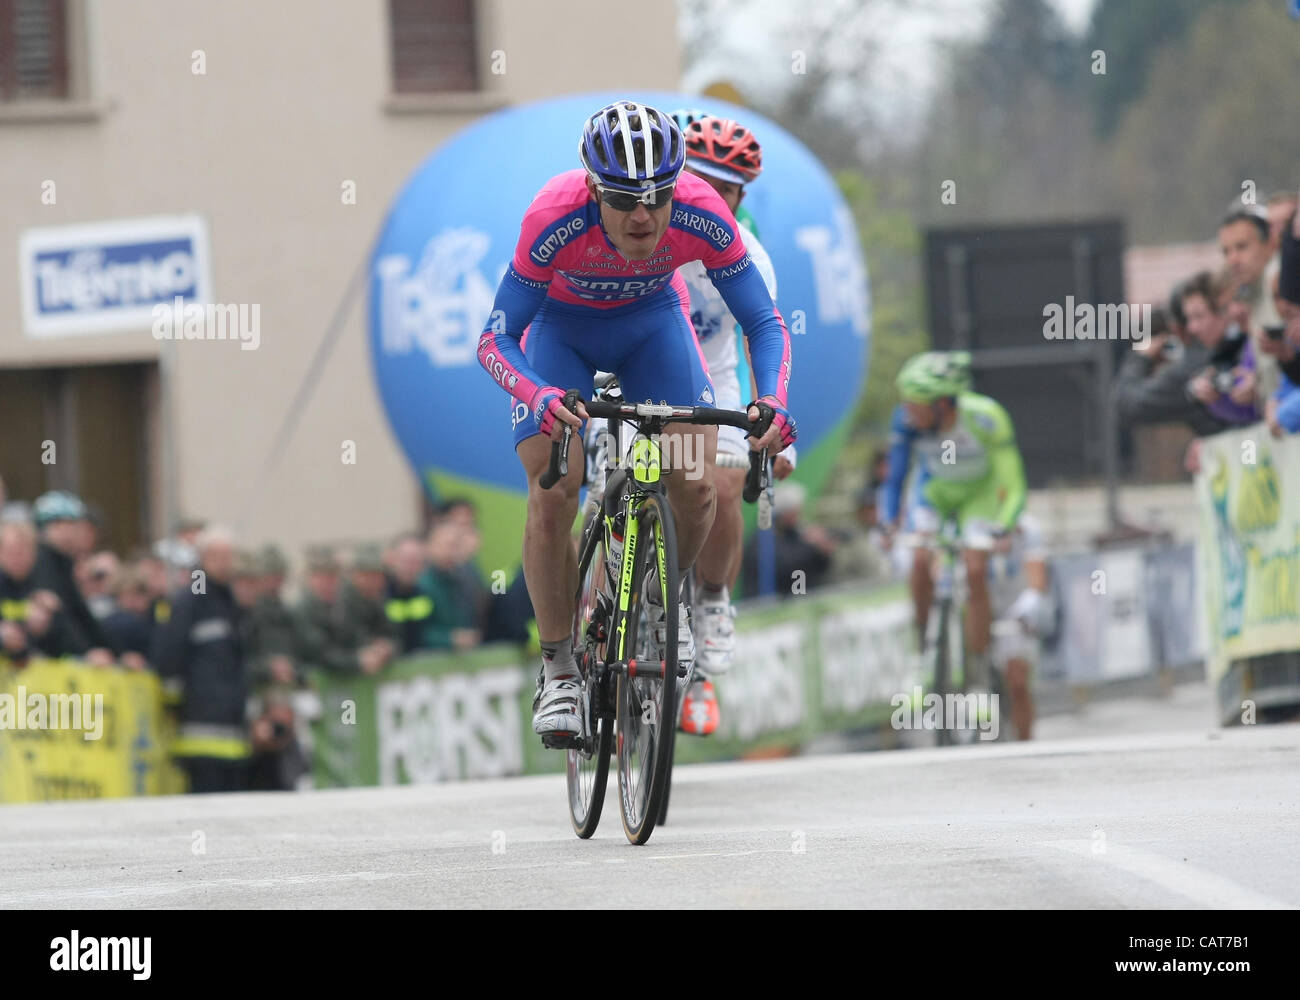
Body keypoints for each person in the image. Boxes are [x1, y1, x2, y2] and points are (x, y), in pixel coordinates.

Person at [475, 99, 795, 743]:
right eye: (624, 198)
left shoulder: (703, 210)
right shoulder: (553, 216)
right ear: (594, 187)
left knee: (699, 484)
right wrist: (538, 395)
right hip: (561, 336)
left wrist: (775, 400)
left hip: (652, 327)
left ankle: (661, 597)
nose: (643, 215)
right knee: (552, 489)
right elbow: (494, 338)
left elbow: (762, 321)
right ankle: (560, 668)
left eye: (658, 195)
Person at [667, 108, 791, 734]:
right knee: (599, 490)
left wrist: (770, 426)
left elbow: (760, 339)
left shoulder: (749, 254)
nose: (710, 200)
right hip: (635, 367)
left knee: (716, 484)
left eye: (727, 191)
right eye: (700, 182)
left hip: (710, 376)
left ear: (742, 198)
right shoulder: (646, 226)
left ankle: (711, 600)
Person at [893, 352, 1028, 690]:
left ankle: (979, 671)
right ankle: (922, 652)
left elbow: (1013, 485)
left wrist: (1004, 524)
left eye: (917, 405)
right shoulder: (906, 419)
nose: (909, 412)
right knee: (920, 559)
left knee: (975, 568)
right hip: (934, 494)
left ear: (941, 405)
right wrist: (888, 521)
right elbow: (894, 479)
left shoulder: (986, 417)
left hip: (977, 498)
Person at [150, 526, 251, 793]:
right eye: (216, 556)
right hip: (198, 729)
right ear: (202, 558)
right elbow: (168, 656)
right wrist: (177, 704)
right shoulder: (190, 600)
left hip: (232, 731)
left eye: (228, 556)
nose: (224, 563)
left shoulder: (229, 601)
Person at [30, 491, 113, 663]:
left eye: (74, 524)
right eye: (64, 524)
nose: (71, 532)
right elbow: (61, 615)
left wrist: (111, 650)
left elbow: (81, 613)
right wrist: (86, 652)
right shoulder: (41, 562)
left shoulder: (64, 562)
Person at [292, 546, 395, 677]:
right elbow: (320, 653)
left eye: (332, 576)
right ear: (310, 579)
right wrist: (357, 661)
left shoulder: (344, 605)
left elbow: (356, 637)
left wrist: (378, 649)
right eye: (320, 577)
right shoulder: (302, 610)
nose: (327, 583)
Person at [741, 481, 836, 598]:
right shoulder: (761, 539)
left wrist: (823, 552)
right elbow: (783, 567)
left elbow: (815, 568)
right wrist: (812, 547)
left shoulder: (794, 533)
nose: (799, 516)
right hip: (765, 604)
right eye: (795, 512)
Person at [0, 519, 71, 664]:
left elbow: (61, 648)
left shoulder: (40, 588)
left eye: (24, 550)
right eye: (11, 551)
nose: (17, 558)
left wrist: (48, 625)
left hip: (22, 681)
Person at [417, 519, 483, 652]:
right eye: (445, 545)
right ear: (429, 546)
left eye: (456, 545)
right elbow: (416, 631)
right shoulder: (420, 584)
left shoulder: (468, 578)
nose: (451, 551)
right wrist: (449, 639)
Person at [383, 532, 434, 654]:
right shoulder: (379, 594)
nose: (411, 567)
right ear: (391, 559)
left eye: (417, 562)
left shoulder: (425, 594)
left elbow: (428, 632)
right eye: (406, 560)